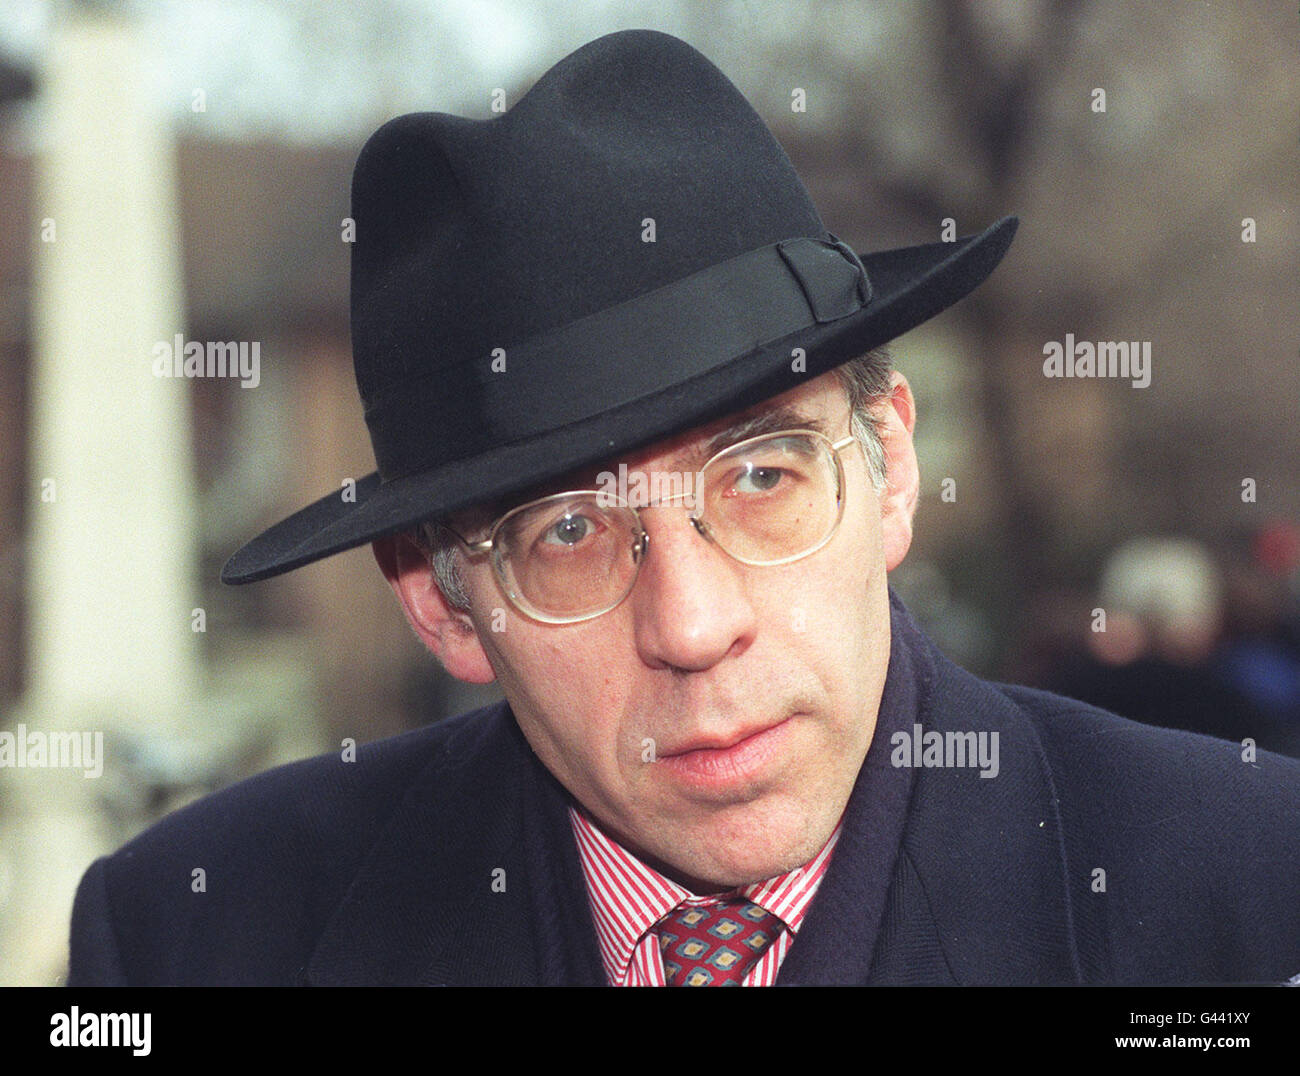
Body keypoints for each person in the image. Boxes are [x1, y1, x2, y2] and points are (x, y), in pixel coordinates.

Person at [67, 29, 1300, 987]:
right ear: (440, 603)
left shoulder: (1251, 888)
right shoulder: (200, 931)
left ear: (888, 470)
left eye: (760, 476)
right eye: (567, 532)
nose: (695, 624)